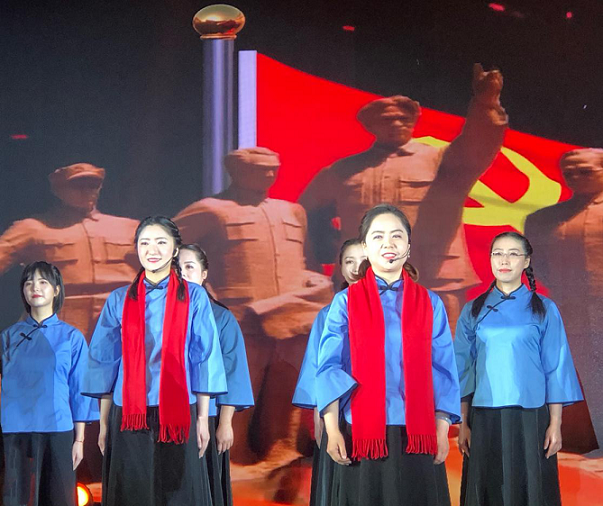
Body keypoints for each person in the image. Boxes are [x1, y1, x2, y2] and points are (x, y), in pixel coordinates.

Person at [300, 64, 508, 329]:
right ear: (371, 126)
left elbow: (478, 144)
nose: (397, 124)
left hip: (433, 280)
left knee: (437, 353)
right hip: (365, 283)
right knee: (367, 353)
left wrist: (485, 104)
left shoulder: (441, 161)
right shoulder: (343, 171)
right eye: (388, 120)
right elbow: (302, 215)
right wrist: (322, 255)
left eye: (404, 119)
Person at [174, 147, 332, 469]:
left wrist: (313, 283)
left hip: (290, 316)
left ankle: (280, 449)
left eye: (273, 169)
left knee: (285, 387)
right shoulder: (211, 210)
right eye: (259, 169)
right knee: (238, 389)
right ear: (234, 170)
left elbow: (306, 259)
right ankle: (232, 455)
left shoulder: (292, 212)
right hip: (239, 315)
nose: (268, 175)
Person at [316, 204, 460, 506]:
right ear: (366, 247)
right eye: (378, 236)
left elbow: (443, 368)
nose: (388, 244)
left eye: (397, 236)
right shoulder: (345, 302)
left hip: (417, 434)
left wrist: (442, 427)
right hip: (362, 434)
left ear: (409, 246)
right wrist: (332, 429)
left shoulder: (430, 303)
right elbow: (329, 367)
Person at [82, 216, 227, 506]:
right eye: (144, 243)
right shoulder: (119, 299)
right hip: (129, 412)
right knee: (133, 493)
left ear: (175, 249)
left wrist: (202, 419)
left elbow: (204, 356)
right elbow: (104, 363)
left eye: (161, 242)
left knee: (178, 493)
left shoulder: (194, 296)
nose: (152, 249)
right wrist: (104, 423)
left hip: (178, 411)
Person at [454, 231, 583, 506]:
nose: (504, 260)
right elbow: (463, 370)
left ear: (526, 261)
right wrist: (463, 424)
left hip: (531, 417)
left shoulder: (545, 309)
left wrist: (556, 424)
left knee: (531, 488)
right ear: (490, 259)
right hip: (483, 417)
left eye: (513, 254)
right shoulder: (473, 310)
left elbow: (556, 368)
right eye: (498, 253)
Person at [0, 163, 139, 340]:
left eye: (93, 185)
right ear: (58, 190)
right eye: (78, 185)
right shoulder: (33, 229)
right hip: (59, 322)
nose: (86, 190)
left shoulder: (128, 228)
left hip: (119, 321)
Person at [1, 261, 99, 506]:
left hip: (58, 430)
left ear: (56, 290)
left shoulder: (71, 337)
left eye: (43, 282)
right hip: (15, 432)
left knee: (58, 498)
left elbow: (80, 390)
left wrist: (79, 440)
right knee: (17, 499)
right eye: (29, 283)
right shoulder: (8, 337)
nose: (35, 287)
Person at [525, 148, 603, 454]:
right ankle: (581, 442)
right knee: (577, 375)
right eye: (569, 172)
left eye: (586, 171)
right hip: (572, 310)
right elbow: (539, 265)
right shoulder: (544, 219)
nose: (576, 177)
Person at [178, 244, 254, 506]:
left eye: (189, 267)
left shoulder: (221, 317)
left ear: (203, 274)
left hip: (207, 418)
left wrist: (225, 423)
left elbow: (233, 372)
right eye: (177, 268)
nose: (182, 273)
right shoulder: (159, 317)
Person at [293, 238, 366, 506]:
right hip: (338, 411)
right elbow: (317, 366)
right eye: (349, 262)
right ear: (340, 268)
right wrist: (320, 413)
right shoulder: (327, 314)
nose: (356, 268)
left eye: (362, 261)